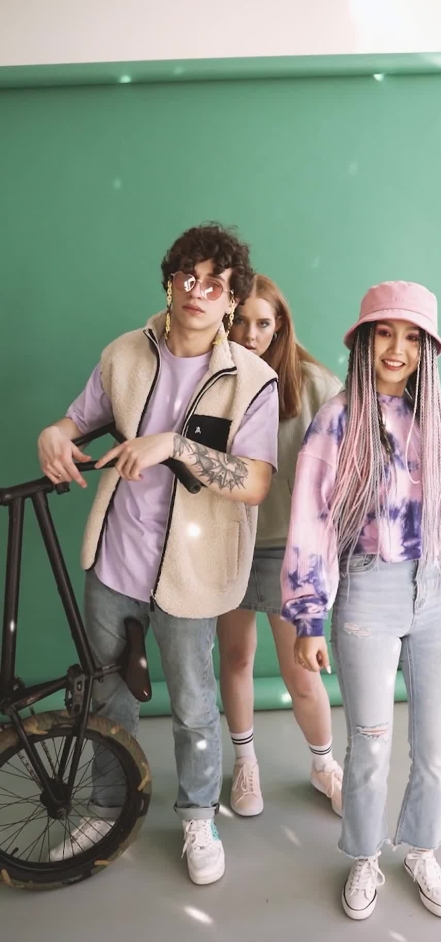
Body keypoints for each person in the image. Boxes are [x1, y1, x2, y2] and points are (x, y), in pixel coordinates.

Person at [37, 223, 279, 886]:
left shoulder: (252, 380)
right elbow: (75, 421)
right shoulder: (123, 355)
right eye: (187, 277)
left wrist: (174, 445)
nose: (198, 292)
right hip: (115, 562)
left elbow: (256, 481)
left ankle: (198, 817)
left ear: (232, 300)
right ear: (169, 283)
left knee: (195, 704)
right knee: (105, 694)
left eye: (215, 284)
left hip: (192, 574)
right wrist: (53, 433)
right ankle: (105, 810)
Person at [281, 281, 441, 920]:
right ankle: (365, 856)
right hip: (367, 591)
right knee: (370, 740)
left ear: (426, 350)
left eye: (411, 337)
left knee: (436, 745)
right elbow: (312, 519)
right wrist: (308, 616)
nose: (396, 348)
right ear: (364, 341)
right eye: (384, 333)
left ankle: (423, 850)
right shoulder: (336, 419)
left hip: (436, 591)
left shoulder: (431, 420)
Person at [217, 275, 343, 817]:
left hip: (287, 548)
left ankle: (324, 764)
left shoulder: (316, 385)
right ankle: (245, 763)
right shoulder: (213, 379)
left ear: (280, 326)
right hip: (226, 540)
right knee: (236, 657)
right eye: (239, 321)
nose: (250, 334)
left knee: (302, 671)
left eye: (263, 323)